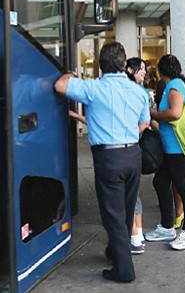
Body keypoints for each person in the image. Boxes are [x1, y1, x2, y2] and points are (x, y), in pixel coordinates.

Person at [54, 42, 150, 283]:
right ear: (124, 65)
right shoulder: (138, 91)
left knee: (113, 215)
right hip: (133, 154)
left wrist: (71, 73)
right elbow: (144, 124)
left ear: (101, 64)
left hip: (109, 157)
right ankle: (115, 252)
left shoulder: (93, 88)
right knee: (126, 211)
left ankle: (124, 270)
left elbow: (60, 85)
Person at [144, 54, 185, 250]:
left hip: (178, 148)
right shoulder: (174, 85)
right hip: (170, 147)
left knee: (183, 186)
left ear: (160, 71)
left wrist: (155, 114)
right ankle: (167, 226)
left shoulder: (175, 85)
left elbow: (175, 112)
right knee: (160, 182)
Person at [125, 57, 149, 254]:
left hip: (127, 148)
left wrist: (129, 135)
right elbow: (145, 123)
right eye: (142, 69)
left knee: (127, 194)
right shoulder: (140, 92)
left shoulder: (130, 92)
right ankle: (138, 235)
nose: (144, 73)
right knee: (135, 192)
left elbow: (145, 122)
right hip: (135, 147)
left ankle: (134, 238)